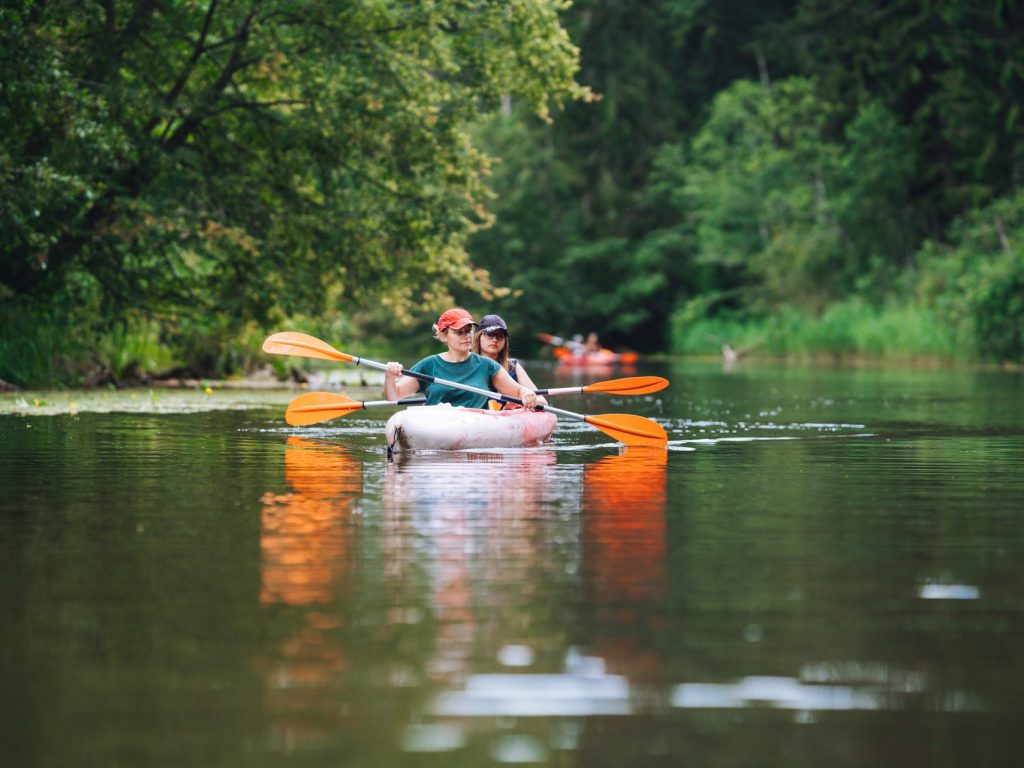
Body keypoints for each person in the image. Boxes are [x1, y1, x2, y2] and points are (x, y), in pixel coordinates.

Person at [384, 308, 538, 410]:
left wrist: (526, 393)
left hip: (475, 428)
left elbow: (517, 390)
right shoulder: (428, 365)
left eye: (468, 331)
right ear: (444, 336)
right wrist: (389, 376)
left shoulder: (488, 366)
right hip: (437, 427)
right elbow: (393, 396)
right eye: (459, 332)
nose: (466, 336)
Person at [472, 314, 548, 409]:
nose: (495, 339)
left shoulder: (513, 366)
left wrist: (524, 401)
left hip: (506, 418)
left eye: (500, 336)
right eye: (490, 334)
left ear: (505, 341)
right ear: (478, 336)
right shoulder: (467, 364)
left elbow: (542, 401)